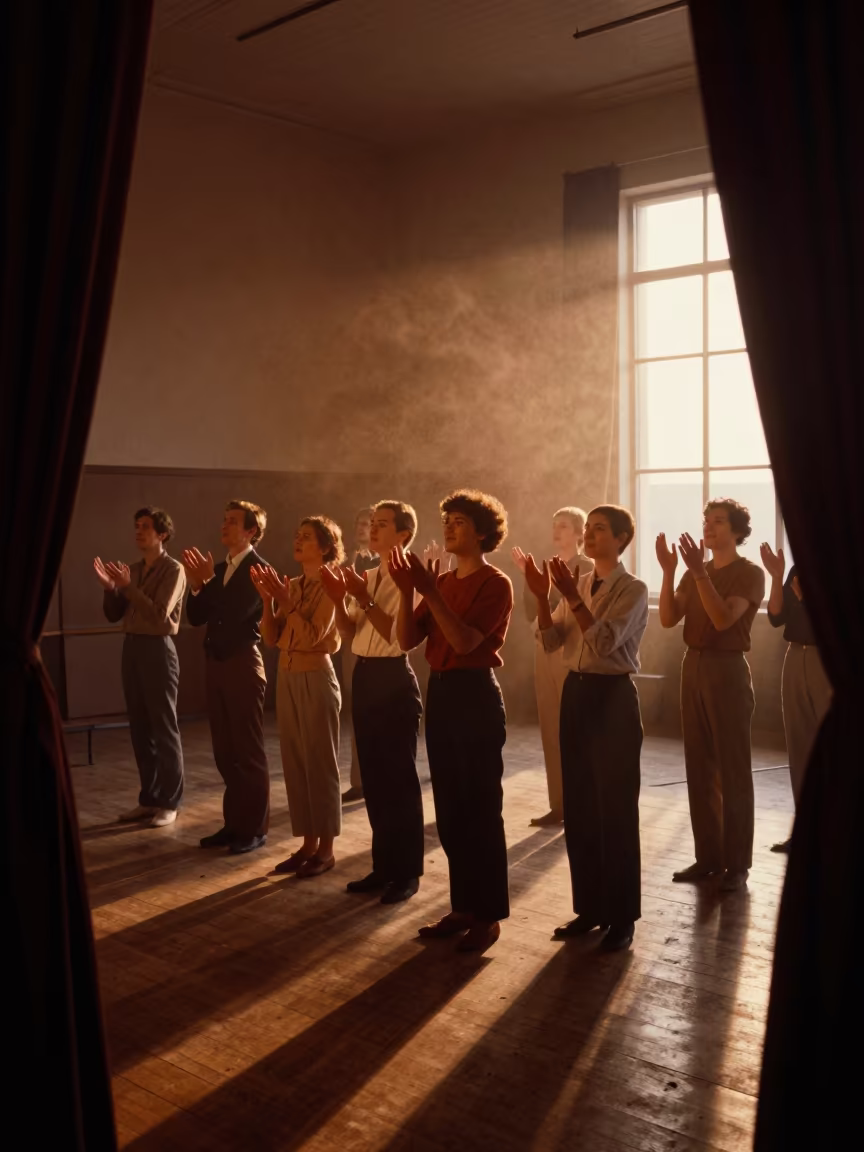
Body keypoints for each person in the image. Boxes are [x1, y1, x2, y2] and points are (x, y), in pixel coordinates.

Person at [391, 489, 513, 953]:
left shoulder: (495, 582)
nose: (449, 528)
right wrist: (409, 593)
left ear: (482, 532)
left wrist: (428, 591)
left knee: (481, 810)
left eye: (459, 522)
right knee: (451, 810)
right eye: (447, 520)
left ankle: (489, 915)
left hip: (474, 694)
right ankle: (463, 906)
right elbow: (405, 638)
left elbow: (464, 642)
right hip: (440, 692)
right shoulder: (439, 582)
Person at [524, 505, 648, 952]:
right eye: (589, 529)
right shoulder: (575, 586)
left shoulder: (632, 588)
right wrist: (542, 597)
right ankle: (590, 907)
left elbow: (602, 642)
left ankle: (621, 915)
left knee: (613, 809)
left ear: (620, 540)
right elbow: (553, 640)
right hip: (576, 694)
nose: (591, 536)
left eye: (599, 530)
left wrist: (572, 599)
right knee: (580, 807)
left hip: (612, 697)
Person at [657, 499, 765, 892]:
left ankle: (737, 864)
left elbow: (722, 619)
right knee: (698, 766)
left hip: (727, 668)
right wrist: (670, 573)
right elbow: (669, 618)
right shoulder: (693, 573)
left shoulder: (749, 574)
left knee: (732, 769)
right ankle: (708, 857)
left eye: (718, 521)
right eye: (706, 520)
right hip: (694, 666)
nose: (709, 527)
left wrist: (699, 573)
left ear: (737, 531)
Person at [322, 500, 424, 904]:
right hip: (364, 674)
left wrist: (364, 598)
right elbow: (349, 631)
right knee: (375, 781)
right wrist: (336, 598)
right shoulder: (368, 573)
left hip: (393, 676)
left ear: (403, 534)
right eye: (372, 523)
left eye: (383, 524)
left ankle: (407, 872)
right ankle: (383, 866)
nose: (373, 529)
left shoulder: (409, 576)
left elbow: (398, 637)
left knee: (399, 781)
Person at [252, 516, 344, 878]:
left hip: (315, 674)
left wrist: (285, 602)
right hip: (287, 675)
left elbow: (310, 635)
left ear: (324, 547)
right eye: (297, 535)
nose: (298, 541)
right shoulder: (290, 584)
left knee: (321, 763)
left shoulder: (331, 584)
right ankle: (307, 844)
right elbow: (272, 639)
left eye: (307, 537)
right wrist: (266, 601)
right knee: (295, 762)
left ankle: (326, 849)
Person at [184, 500, 270, 854]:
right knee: (225, 750)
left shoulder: (258, 570)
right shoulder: (219, 569)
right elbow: (196, 616)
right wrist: (196, 586)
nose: (224, 526)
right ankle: (233, 825)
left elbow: (236, 614)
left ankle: (255, 829)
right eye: (224, 520)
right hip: (216, 663)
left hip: (242, 662)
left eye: (233, 522)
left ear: (251, 531)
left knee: (247, 750)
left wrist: (207, 581)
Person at [94, 507, 186, 827]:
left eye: (145, 527)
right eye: (136, 526)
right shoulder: (132, 569)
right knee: (140, 727)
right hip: (131, 647)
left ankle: (170, 802)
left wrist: (128, 587)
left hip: (158, 649)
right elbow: (113, 614)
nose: (138, 532)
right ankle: (149, 798)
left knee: (163, 727)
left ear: (162, 534)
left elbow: (160, 615)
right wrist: (111, 588)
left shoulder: (173, 569)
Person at [512, 506, 593, 826]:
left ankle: (580, 803)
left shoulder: (586, 567)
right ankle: (558, 804)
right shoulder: (547, 566)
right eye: (554, 525)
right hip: (543, 647)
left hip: (572, 649)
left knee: (574, 730)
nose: (557, 531)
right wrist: (527, 579)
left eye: (564, 526)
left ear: (579, 533)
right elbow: (532, 613)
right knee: (551, 728)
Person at [761, 544, 832, 852]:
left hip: (828, 661)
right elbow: (776, 617)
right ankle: (804, 830)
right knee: (799, 746)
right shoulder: (799, 567)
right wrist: (776, 577)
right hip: (795, 656)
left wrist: (807, 600)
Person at [341, 506, 378, 803]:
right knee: (356, 709)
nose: (362, 528)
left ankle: (378, 778)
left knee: (377, 713)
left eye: (368, 523)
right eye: (359, 523)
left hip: (376, 643)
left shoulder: (385, 563)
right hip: (349, 639)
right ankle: (360, 780)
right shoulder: (343, 561)